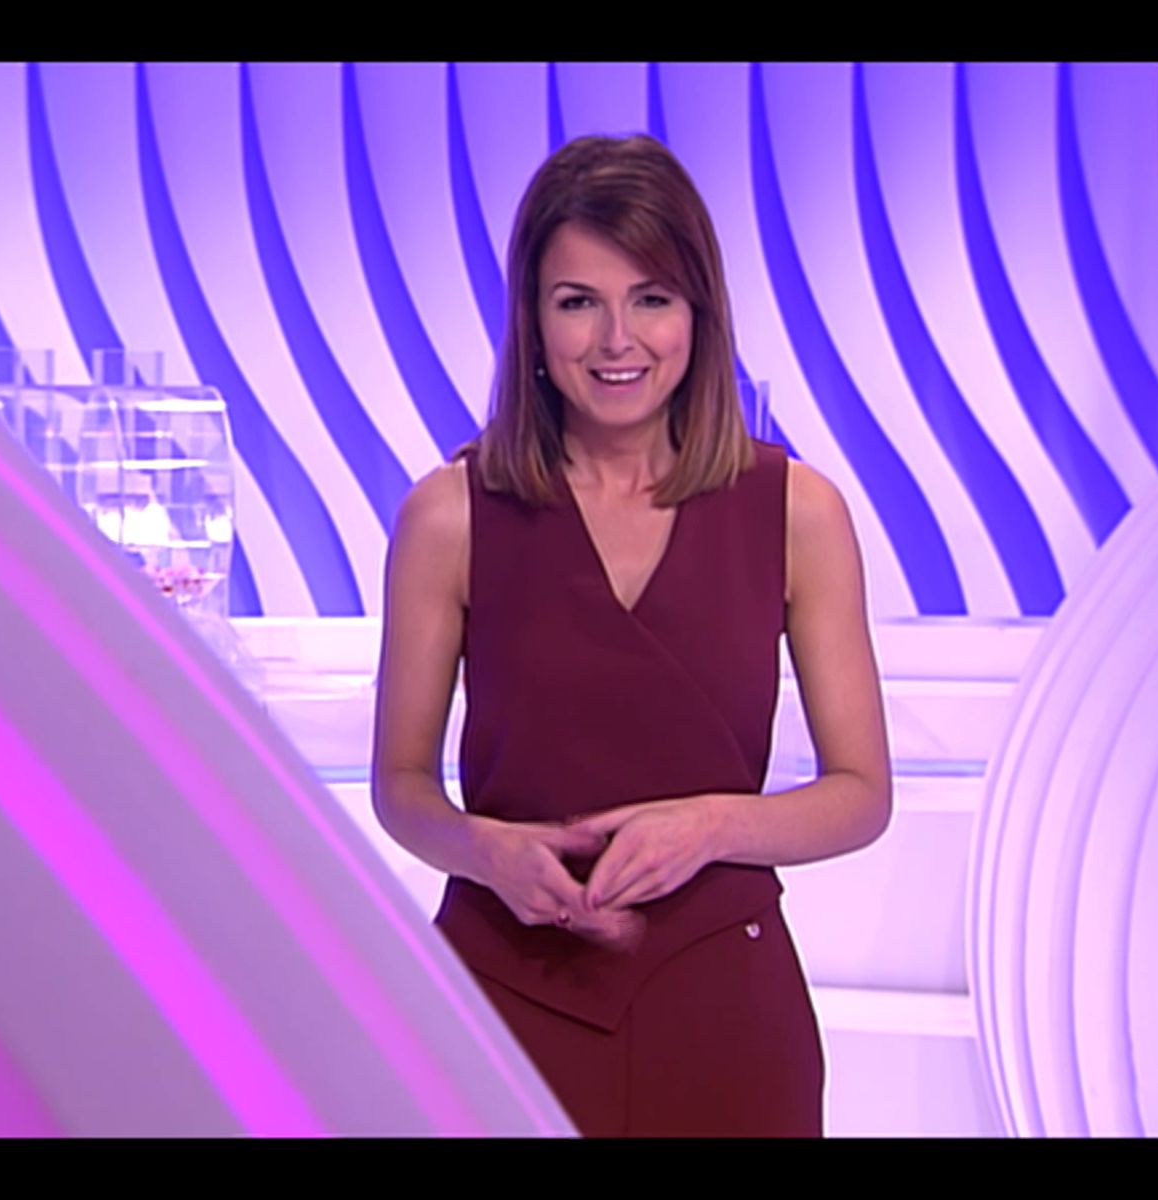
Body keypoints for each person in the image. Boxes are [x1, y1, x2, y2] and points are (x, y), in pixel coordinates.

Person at [369, 134, 890, 1137]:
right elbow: (401, 787)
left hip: (726, 1013)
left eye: (651, 298)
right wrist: (483, 850)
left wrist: (712, 829)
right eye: (579, 302)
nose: (618, 339)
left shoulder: (798, 512)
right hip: (502, 1001)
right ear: (532, 320)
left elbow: (862, 794)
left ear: (699, 313)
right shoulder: (447, 517)